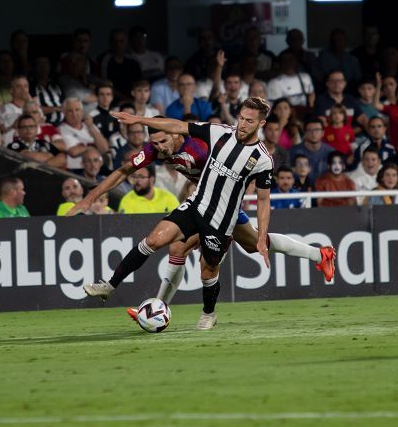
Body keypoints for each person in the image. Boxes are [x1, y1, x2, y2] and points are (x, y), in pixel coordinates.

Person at [83, 100, 335, 330]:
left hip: (224, 218)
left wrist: (262, 236)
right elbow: (177, 125)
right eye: (241, 117)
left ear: (261, 124)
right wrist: (139, 119)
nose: (242, 124)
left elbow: (263, 199)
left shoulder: (262, 159)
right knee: (157, 241)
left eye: (249, 120)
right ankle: (117, 288)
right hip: (196, 204)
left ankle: (207, 313)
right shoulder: (219, 132)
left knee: (215, 263)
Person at [58, 98, 110, 171]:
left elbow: (104, 148)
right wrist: (94, 146)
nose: (74, 114)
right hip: (78, 170)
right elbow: (74, 152)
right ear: (64, 113)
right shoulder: (62, 129)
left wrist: (90, 127)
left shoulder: (90, 126)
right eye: (70, 111)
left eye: (77, 110)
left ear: (82, 112)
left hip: (98, 169)